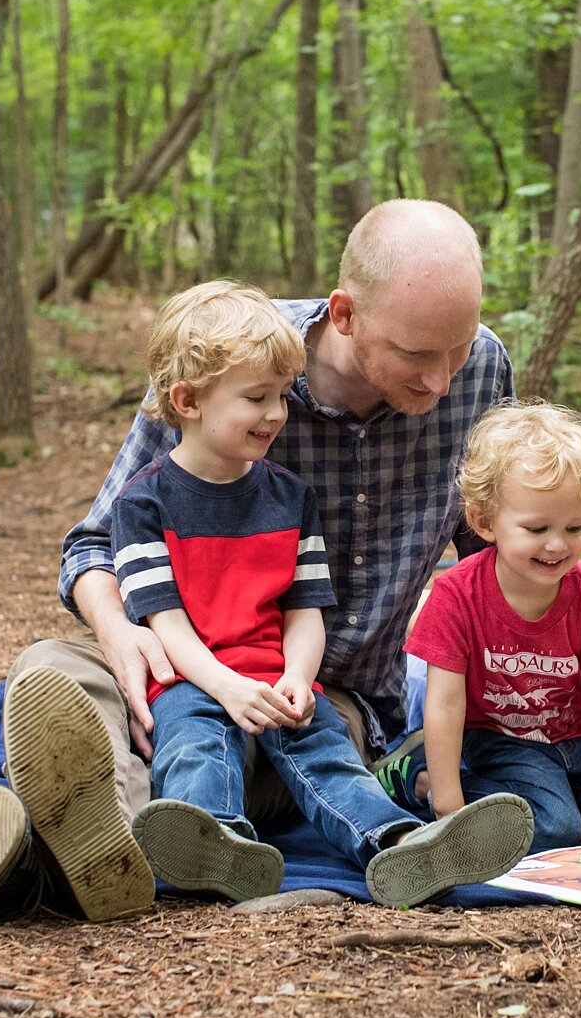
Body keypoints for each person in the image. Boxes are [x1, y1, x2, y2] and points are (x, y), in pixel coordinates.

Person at [0, 200, 523, 920]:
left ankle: (88, 841)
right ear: (345, 314)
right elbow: (95, 543)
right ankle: (112, 833)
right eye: (417, 355)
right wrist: (122, 633)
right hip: (181, 661)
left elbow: (494, 559)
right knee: (54, 665)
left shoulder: (479, 370)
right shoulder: (224, 360)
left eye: (458, 347)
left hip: (322, 694)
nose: (443, 380)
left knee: (267, 746)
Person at [112, 281, 530, 907]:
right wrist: (224, 686)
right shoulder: (145, 503)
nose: (279, 414)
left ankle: (398, 845)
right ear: (188, 401)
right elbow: (163, 623)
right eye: (258, 398)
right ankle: (217, 844)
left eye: (282, 395)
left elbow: (306, 610)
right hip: (191, 679)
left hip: (280, 673)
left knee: (327, 750)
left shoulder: (289, 497)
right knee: (197, 746)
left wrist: (298, 678)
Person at [404, 403, 581, 852]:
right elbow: (444, 703)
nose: (557, 545)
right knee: (553, 829)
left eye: (575, 526)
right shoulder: (457, 594)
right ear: (483, 521)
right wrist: (448, 806)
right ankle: (415, 778)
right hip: (501, 737)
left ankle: (571, 796)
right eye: (536, 528)